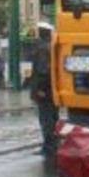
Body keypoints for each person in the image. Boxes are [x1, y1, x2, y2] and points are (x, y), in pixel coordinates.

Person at [28, 31, 58, 161]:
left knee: (46, 120)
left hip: (44, 92)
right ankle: (54, 145)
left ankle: (49, 147)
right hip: (53, 91)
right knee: (53, 118)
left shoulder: (41, 50)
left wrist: (39, 89)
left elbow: (42, 71)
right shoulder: (52, 47)